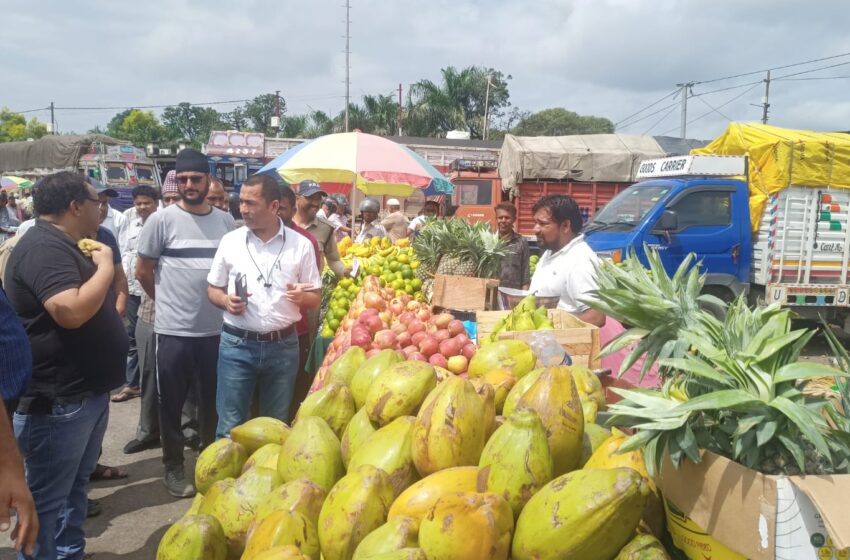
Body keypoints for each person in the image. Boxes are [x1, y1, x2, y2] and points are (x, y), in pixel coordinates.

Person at [4, 171, 129, 559]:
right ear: (75, 206)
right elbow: (69, 311)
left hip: (81, 396)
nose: (101, 208)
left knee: (74, 490)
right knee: (45, 502)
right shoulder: (44, 248)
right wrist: (106, 266)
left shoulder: (67, 243)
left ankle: (69, 553)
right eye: (96, 201)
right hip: (58, 402)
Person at [136, 149, 235, 498]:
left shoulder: (225, 223)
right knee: (171, 403)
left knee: (211, 403)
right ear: (176, 181)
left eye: (196, 178)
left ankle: (208, 466)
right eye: (184, 179)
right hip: (173, 332)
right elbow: (143, 272)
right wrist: (168, 302)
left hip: (214, 332)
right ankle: (174, 467)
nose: (189, 185)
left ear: (208, 180)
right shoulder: (160, 221)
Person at [208, 174, 320, 435]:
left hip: (283, 347)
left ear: (273, 206)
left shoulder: (301, 245)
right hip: (237, 346)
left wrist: (303, 298)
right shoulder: (231, 242)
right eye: (242, 202)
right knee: (229, 426)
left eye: (251, 203)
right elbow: (212, 289)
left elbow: (315, 298)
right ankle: (223, 476)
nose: (243, 209)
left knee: (274, 427)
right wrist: (225, 300)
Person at [277, 184, 323, 419]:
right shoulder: (245, 239)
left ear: (292, 207)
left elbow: (314, 291)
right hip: (259, 336)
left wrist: (303, 296)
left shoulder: (306, 241)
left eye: (282, 208)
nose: (277, 214)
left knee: (293, 396)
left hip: (297, 332)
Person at [112, 185, 160, 404]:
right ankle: (133, 384)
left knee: (154, 340)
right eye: (138, 203)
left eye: (146, 202)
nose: (142, 207)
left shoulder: (162, 224)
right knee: (132, 338)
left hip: (153, 292)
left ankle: (155, 386)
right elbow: (123, 254)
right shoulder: (131, 225)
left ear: (156, 203)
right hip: (132, 289)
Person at [528, 195, 605, 327]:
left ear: (565, 226)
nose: (535, 229)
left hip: (564, 346)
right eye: (535, 223)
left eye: (543, 224)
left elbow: (596, 317)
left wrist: (552, 330)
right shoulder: (550, 252)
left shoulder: (580, 260)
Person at [292, 180, 346, 277]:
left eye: (318, 199)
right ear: (297, 198)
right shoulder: (284, 224)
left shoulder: (326, 228)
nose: (315, 203)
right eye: (310, 198)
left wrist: (344, 271)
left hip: (311, 289)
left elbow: (333, 260)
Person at [495, 202, 530, 291]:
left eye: (507, 218)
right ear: (496, 219)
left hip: (513, 294)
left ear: (514, 219)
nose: (503, 220)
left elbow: (525, 274)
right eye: (500, 217)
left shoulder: (522, 242)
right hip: (492, 292)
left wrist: (523, 297)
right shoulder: (490, 241)